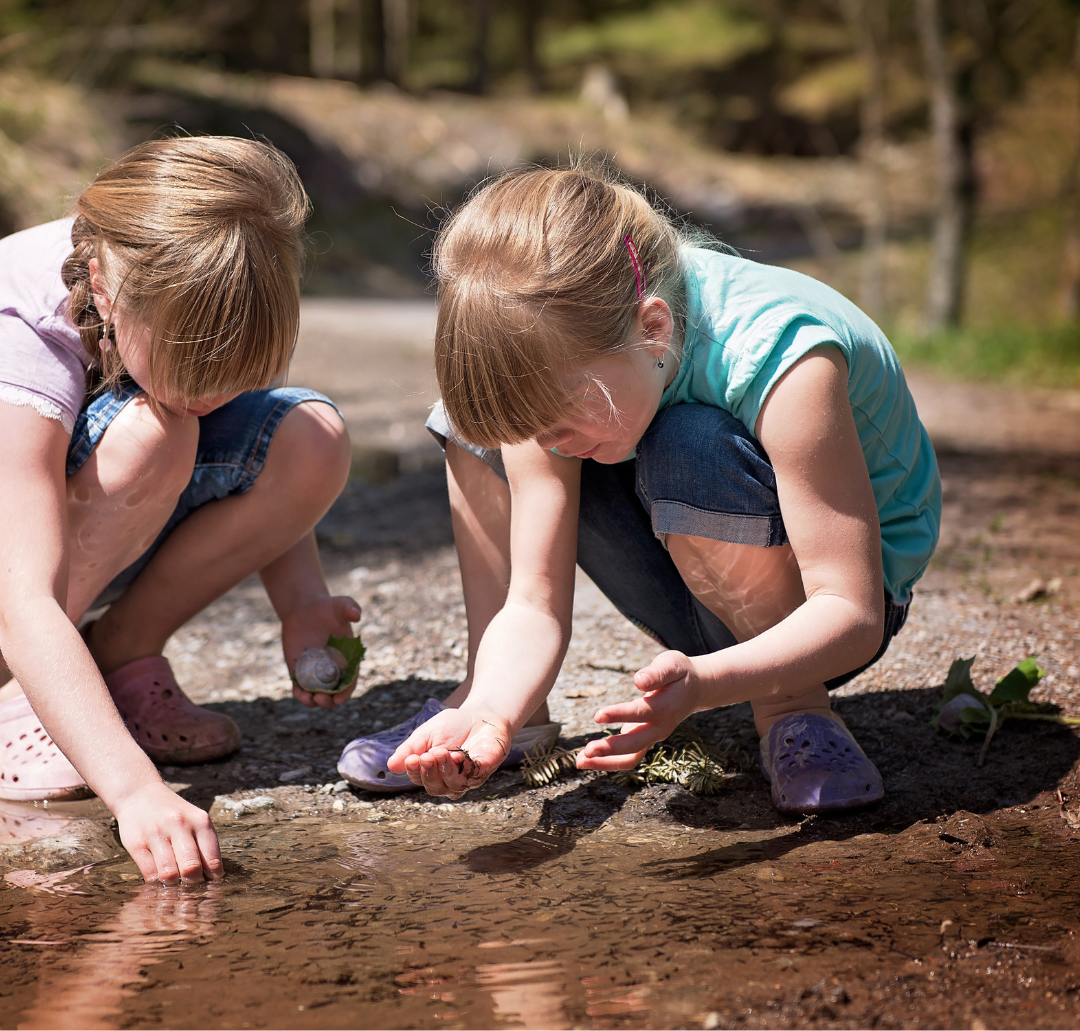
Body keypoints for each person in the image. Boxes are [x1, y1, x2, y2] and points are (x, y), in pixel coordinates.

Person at [341, 164, 941, 812]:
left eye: (564, 420)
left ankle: (793, 710)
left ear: (653, 327)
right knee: (473, 420)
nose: (550, 446)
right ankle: (495, 693)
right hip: (694, 590)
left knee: (689, 442)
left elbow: (852, 616)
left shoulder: (782, 352)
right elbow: (534, 604)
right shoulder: (579, 365)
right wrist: (492, 709)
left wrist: (706, 684)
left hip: (821, 622)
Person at [0, 136, 358, 883]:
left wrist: (302, 601)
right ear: (102, 289)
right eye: (198, 368)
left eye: (239, 373)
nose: (216, 393)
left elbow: (258, 446)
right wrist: (134, 791)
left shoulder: (209, 278)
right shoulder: (19, 332)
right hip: (17, 581)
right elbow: (22, 596)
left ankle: (116, 659)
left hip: (60, 536)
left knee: (307, 437)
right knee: (157, 433)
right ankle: (17, 697)